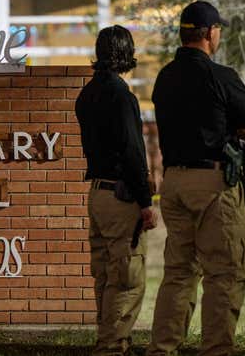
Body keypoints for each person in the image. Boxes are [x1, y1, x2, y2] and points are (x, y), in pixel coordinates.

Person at [149, 1, 245, 356]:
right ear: (211, 33)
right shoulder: (222, 76)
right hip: (212, 184)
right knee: (224, 275)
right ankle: (216, 349)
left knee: (179, 273)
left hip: (174, 183)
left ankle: (162, 349)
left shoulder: (164, 77)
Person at [75, 25, 158, 356]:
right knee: (127, 275)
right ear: (126, 52)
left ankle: (110, 339)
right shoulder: (122, 96)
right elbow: (133, 152)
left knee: (106, 275)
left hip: (96, 193)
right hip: (121, 195)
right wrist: (146, 202)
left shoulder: (87, 94)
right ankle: (112, 346)